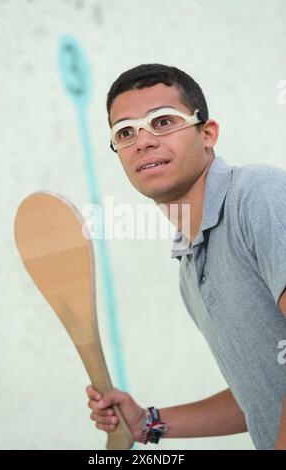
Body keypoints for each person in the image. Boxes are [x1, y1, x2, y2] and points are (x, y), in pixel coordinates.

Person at [86, 64, 286, 450]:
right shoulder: (189, 269)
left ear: (207, 133)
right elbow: (261, 394)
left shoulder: (258, 195)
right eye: (125, 132)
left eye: (162, 122)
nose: (143, 141)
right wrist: (148, 423)